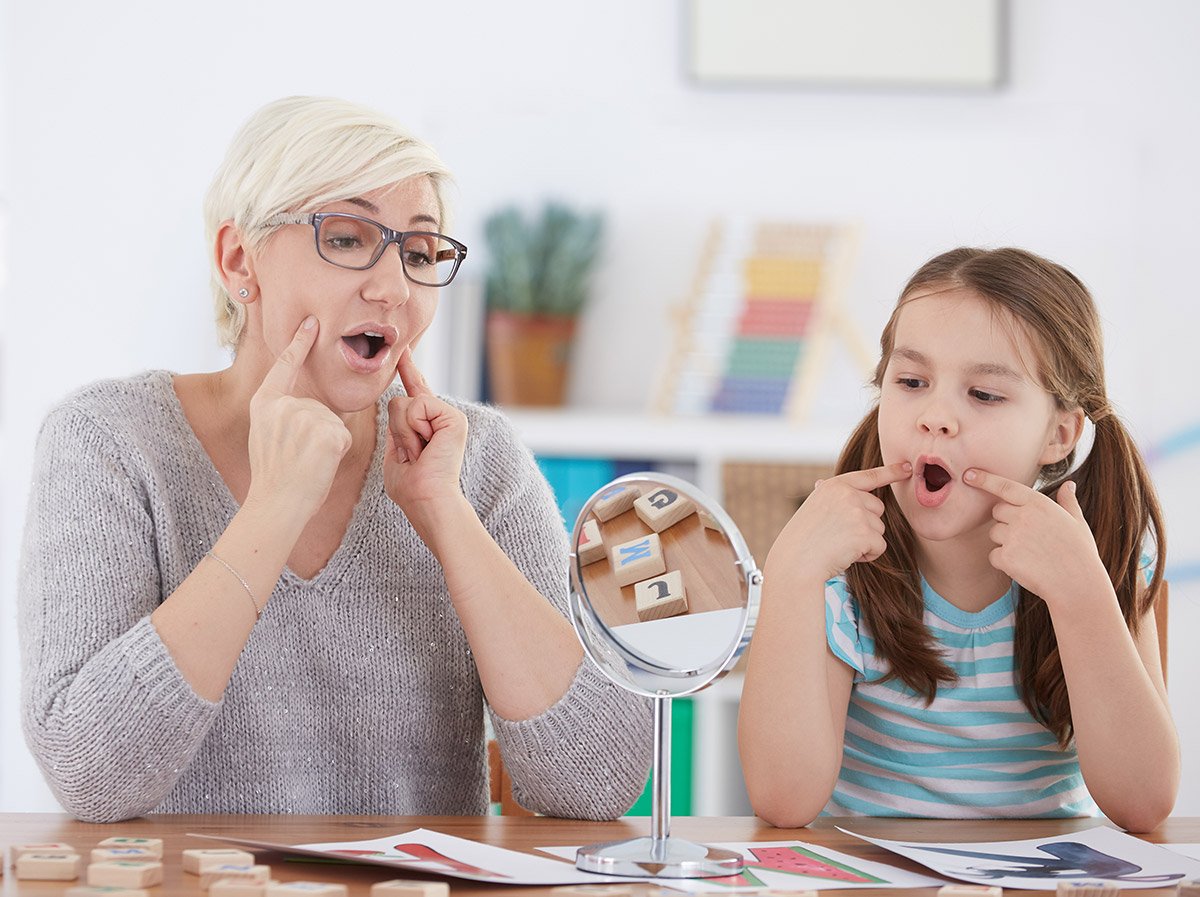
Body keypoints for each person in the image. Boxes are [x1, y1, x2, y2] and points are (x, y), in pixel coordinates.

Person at [18, 96, 651, 823]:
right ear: (237, 260)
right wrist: (271, 511)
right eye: (347, 239)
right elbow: (91, 773)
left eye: (418, 253)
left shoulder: (476, 460)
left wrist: (443, 511)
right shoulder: (107, 441)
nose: (394, 288)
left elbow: (596, 781)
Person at [738, 247, 1177, 832]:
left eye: (985, 394)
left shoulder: (1102, 553)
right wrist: (790, 572)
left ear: (1059, 434)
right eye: (912, 381)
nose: (935, 416)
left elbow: (1143, 802)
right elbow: (783, 799)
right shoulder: (840, 571)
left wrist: (1082, 596)